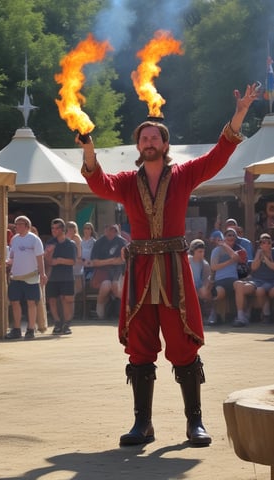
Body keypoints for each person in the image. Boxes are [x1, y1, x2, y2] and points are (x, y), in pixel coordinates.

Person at [77, 83, 259, 447]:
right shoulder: (128, 182)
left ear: (164, 144)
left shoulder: (185, 174)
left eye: (153, 137)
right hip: (142, 269)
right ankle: (142, 424)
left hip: (174, 271)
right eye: (143, 138)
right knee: (141, 347)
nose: (148, 142)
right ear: (139, 146)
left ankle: (195, 423)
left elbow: (218, 157)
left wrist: (239, 113)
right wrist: (89, 150)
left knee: (182, 344)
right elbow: (99, 183)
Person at [5, 216, 48, 340]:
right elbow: (12, 256)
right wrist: (5, 261)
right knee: (14, 302)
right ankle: (17, 329)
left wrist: (43, 274)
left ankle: (30, 329)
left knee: (31, 302)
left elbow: (40, 259)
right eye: (16, 224)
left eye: (20, 224)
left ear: (27, 225)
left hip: (31, 276)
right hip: (16, 276)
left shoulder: (35, 240)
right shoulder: (14, 239)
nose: (17, 226)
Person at [207, 228, 247, 325]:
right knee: (219, 293)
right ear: (224, 237)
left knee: (239, 284)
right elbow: (213, 266)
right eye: (229, 235)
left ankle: (240, 317)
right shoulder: (216, 250)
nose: (231, 237)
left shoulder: (236, 250)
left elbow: (236, 258)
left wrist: (224, 245)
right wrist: (229, 262)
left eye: (233, 235)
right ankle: (213, 314)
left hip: (233, 280)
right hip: (220, 281)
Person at [233, 233, 274, 326]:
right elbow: (254, 268)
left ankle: (265, 312)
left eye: (268, 242)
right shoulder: (258, 253)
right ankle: (241, 316)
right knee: (238, 284)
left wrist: (267, 258)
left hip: (271, 281)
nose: (266, 244)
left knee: (260, 291)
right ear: (260, 244)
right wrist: (259, 256)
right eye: (263, 242)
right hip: (257, 281)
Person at [44, 218, 77, 335]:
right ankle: (57, 323)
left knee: (67, 300)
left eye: (57, 228)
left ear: (63, 229)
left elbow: (73, 261)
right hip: (52, 277)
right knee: (52, 300)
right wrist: (49, 254)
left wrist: (59, 260)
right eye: (52, 228)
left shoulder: (70, 244)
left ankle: (67, 324)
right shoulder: (50, 243)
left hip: (67, 277)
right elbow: (48, 262)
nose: (54, 230)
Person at [87, 224, 126, 319]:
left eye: (113, 231)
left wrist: (104, 262)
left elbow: (123, 260)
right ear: (105, 230)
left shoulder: (122, 242)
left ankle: (130, 309)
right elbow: (94, 262)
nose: (111, 232)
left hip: (119, 271)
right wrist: (111, 261)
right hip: (102, 271)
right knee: (106, 286)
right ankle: (100, 313)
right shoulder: (99, 243)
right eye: (109, 230)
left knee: (116, 288)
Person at [188, 239, 213, 322]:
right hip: (188, 287)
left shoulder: (205, 264)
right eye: (199, 251)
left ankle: (210, 315)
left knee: (207, 293)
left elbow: (207, 278)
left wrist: (205, 288)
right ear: (193, 251)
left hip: (199, 288)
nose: (202, 254)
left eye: (203, 251)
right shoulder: (187, 260)